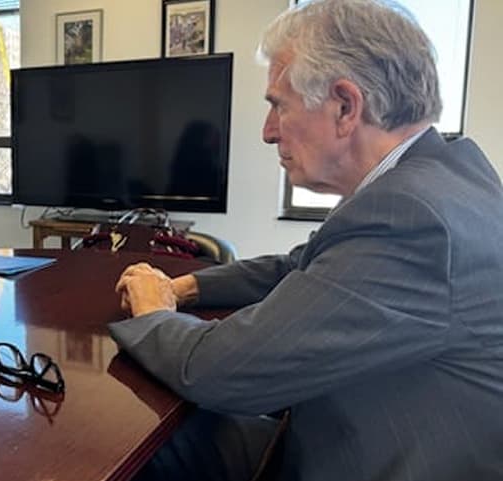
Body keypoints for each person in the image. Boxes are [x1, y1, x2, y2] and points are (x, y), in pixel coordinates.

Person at [111, 1, 503, 480]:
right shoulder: (437, 177)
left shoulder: (414, 219)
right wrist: (186, 287)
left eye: (278, 104)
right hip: (354, 426)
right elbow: (300, 264)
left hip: (361, 457)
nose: (267, 131)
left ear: (344, 106)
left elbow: (219, 371)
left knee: (137, 454)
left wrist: (153, 311)